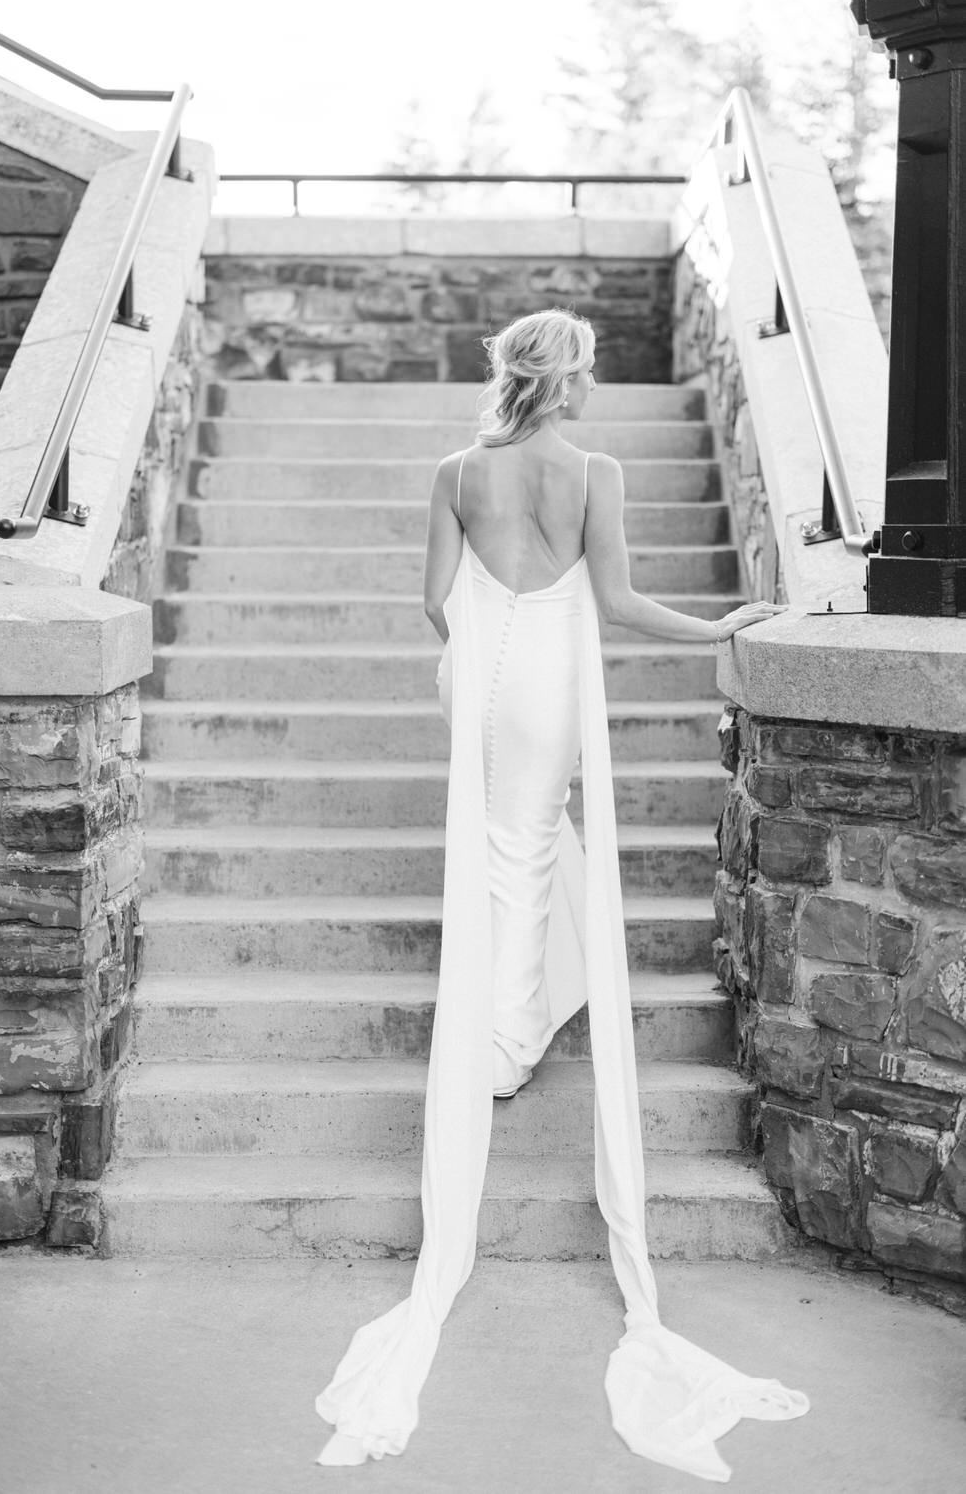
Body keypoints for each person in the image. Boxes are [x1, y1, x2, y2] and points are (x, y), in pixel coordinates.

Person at [316, 309, 809, 1481]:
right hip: (550, 677)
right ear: (568, 376)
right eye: (585, 368)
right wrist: (719, 624)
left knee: (499, 850)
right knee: (535, 844)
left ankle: (499, 1026)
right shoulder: (592, 471)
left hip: (481, 679)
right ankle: (508, 1031)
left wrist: (480, 633)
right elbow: (624, 604)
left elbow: (433, 600)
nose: (590, 382)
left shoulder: (455, 470)